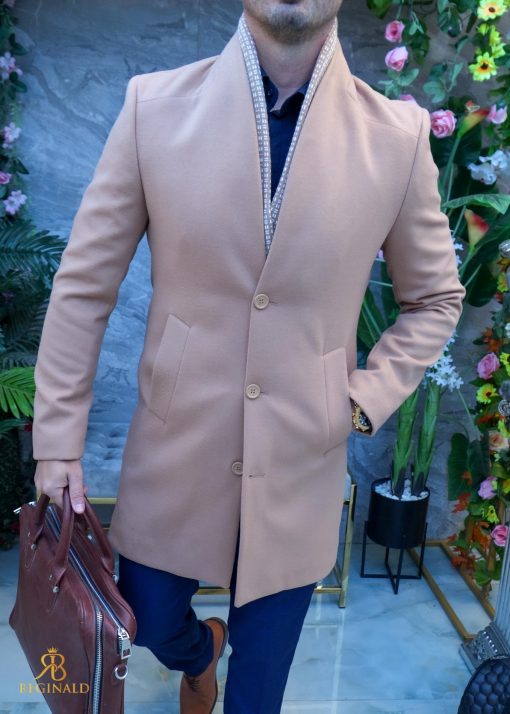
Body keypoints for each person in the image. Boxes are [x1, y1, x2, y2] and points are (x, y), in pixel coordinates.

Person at [31, 0, 466, 712]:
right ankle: (199, 653)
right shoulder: (154, 108)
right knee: (147, 618)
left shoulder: (395, 136)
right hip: (175, 451)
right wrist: (57, 443)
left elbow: (436, 298)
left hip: (301, 465)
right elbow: (83, 286)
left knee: (259, 694)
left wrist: (361, 401)